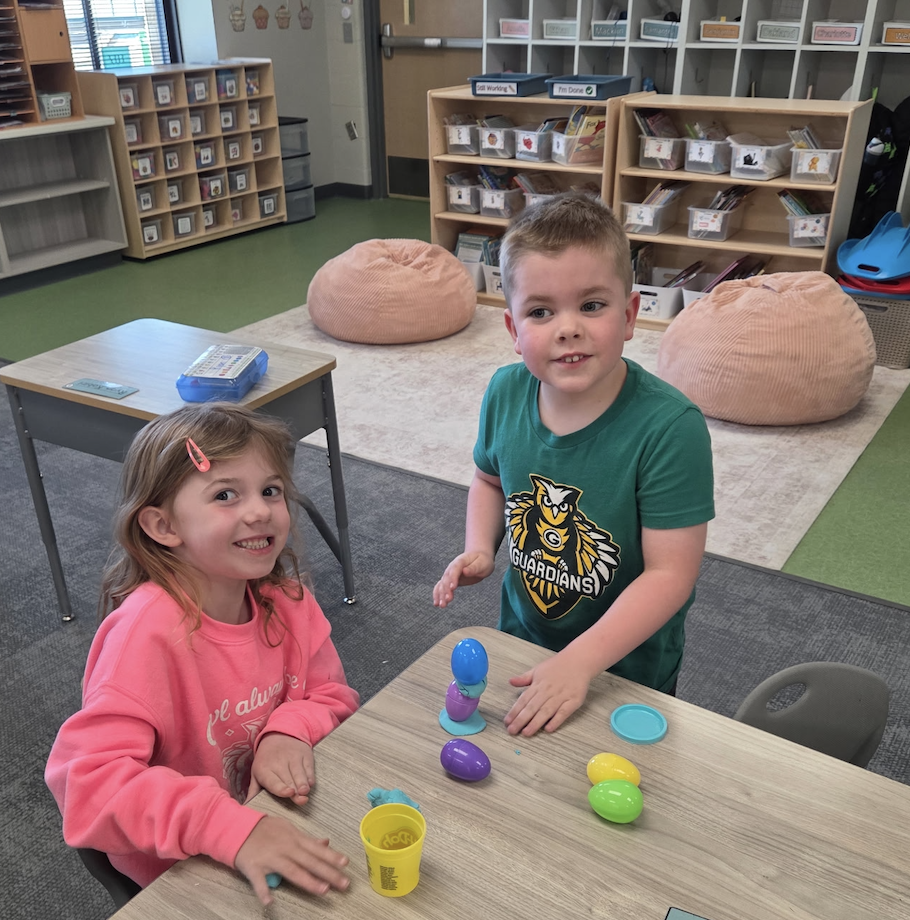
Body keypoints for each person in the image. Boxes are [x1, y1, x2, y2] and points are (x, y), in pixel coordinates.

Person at [45, 403, 359, 906]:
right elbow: (88, 787)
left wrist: (288, 729)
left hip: (277, 816)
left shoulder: (288, 601)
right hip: (184, 865)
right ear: (163, 526)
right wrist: (222, 825)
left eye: (270, 490)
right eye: (225, 495)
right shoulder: (144, 636)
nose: (259, 511)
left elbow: (333, 695)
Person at [433, 192, 714, 738]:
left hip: (624, 667)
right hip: (523, 639)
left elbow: (671, 574)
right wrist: (480, 547)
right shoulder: (504, 392)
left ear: (629, 316)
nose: (568, 328)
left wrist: (581, 663)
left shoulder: (671, 428)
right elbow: (488, 480)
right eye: (540, 312)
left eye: (591, 305)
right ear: (513, 332)